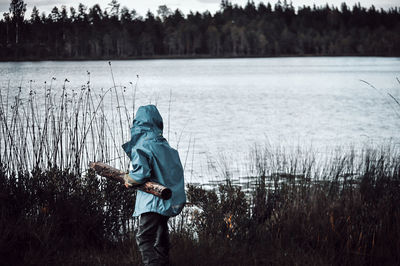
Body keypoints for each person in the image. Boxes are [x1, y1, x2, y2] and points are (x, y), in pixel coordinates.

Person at [122, 104, 186, 266]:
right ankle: (164, 262)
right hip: (166, 201)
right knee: (161, 236)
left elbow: (140, 174)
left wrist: (129, 180)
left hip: (152, 202)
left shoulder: (142, 146)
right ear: (158, 123)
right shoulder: (166, 147)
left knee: (144, 238)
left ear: (138, 124)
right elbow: (175, 174)